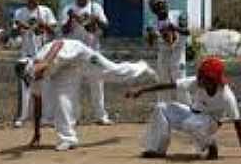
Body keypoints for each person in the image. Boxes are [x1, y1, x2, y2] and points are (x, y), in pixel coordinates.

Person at [15, 39, 158, 151]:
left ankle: (141, 66)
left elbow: (58, 43)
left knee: (113, 72)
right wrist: (37, 134)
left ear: (34, 66)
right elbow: (37, 104)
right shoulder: (33, 80)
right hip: (63, 71)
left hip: (80, 55)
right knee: (61, 99)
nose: (36, 78)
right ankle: (68, 139)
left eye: (35, 74)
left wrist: (46, 62)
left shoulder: (42, 56)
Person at [126, 57, 241, 160]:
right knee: (161, 108)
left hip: (210, 123)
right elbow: (169, 85)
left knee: (190, 124)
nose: (199, 79)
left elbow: (237, 121)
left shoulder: (226, 96)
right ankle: (157, 149)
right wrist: (141, 90)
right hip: (192, 113)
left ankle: (211, 145)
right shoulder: (196, 82)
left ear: (214, 80)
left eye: (204, 77)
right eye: (200, 76)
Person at [60, 0, 112, 125]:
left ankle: (101, 116)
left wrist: (96, 19)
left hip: (93, 51)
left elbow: (106, 27)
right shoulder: (68, 9)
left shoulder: (95, 7)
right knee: (74, 85)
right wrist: (71, 18)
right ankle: (74, 117)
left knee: (97, 84)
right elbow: (64, 30)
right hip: (74, 53)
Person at [13, 0, 57, 128]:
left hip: (42, 54)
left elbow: (54, 32)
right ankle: (22, 117)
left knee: (45, 86)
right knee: (25, 87)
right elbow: (13, 33)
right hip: (26, 54)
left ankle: (46, 117)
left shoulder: (45, 11)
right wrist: (20, 27)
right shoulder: (20, 12)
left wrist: (43, 25)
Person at [146, 0, 191, 105]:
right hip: (163, 53)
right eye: (157, 7)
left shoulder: (178, 15)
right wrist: (151, 36)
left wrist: (174, 27)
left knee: (179, 80)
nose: (161, 8)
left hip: (178, 52)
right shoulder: (152, 23)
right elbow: (150, 43)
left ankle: (186, 107)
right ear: (154, 11)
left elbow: (187, 32)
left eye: (163, 5)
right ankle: (164, 108)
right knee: (163, 80)